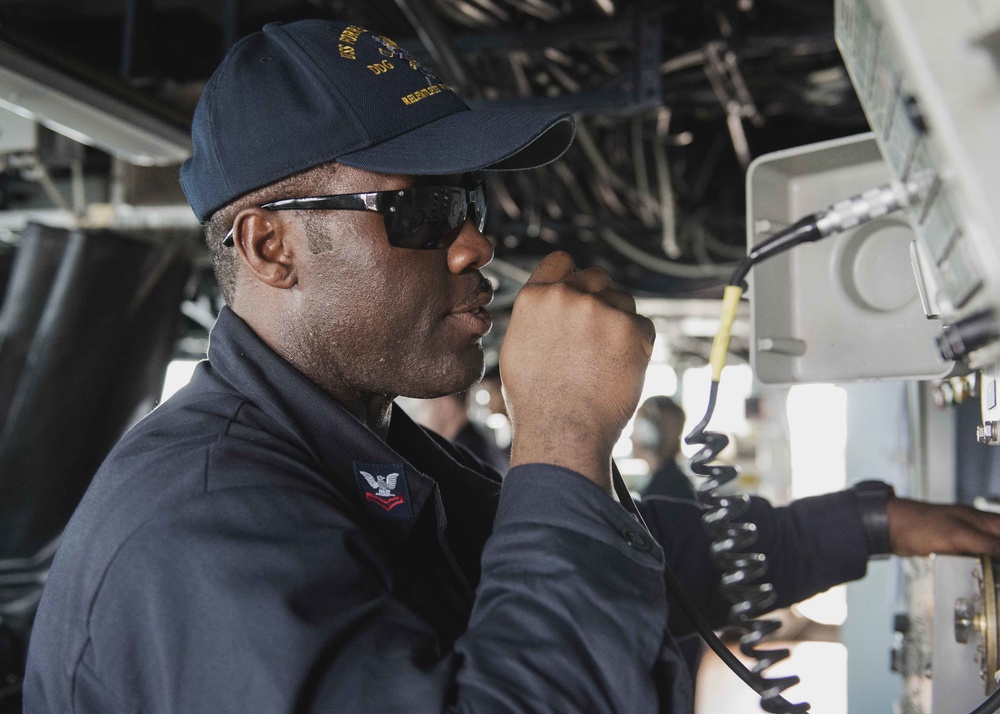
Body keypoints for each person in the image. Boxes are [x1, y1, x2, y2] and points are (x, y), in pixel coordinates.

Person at [22, 19, 1000, 714]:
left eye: (472, 204)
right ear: (270, 247)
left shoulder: (357, 450)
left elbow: (613, 562)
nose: (472, 247)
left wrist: (876, 521)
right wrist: (563, 432)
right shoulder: (201, 519)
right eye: (420, 213)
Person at [413, 391, 510, 474]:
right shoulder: (480, 445)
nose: (418, 420)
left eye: (423, 409)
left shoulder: (460, 460)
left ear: (445, 407)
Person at [633, 395, 698, 502]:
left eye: (637, 428)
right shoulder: (670, 480)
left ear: (650, 434)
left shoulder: (664, 491)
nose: (631, 437)